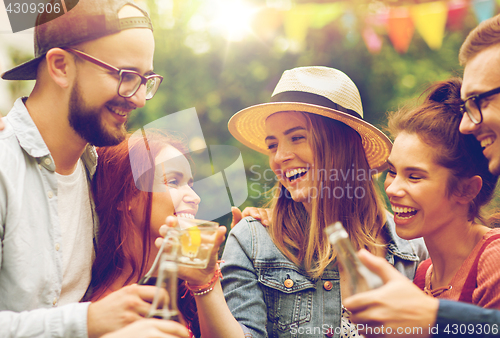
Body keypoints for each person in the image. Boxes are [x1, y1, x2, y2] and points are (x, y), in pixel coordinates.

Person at [0, 0, 186, 337]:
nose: (140, 98)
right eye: (126, 76)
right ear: (60, 66)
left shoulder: (103, 171)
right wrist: (87, 323)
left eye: (146, 80)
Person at [222, 66, 428, 338]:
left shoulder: (412, 248)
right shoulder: (251, 241)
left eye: (297, 138)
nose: (280, 156)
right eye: (272, 145)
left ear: (340, 145)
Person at [344, 15, 500, 338]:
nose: (393, 189)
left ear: (467, 190)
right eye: (391, 172)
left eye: (414, 176)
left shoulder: (492, 259)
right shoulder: (424, 274)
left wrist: (431, 318)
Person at [87, 130, 245, 338]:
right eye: (173, 182)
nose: (195, 197)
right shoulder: (100, 317)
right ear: (124, 198)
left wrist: (205, 281)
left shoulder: (188, 292)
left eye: (189, 184)